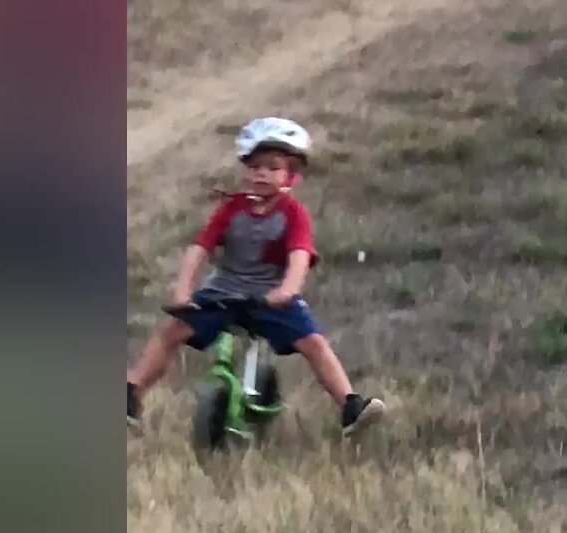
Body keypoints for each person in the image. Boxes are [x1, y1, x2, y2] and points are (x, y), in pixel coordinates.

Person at [127, 117, 386, 437]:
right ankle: (131, 393)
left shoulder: (293, 214)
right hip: (224, 291)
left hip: (271, 295)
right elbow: (199, 248)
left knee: (315, 343)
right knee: (171, 330)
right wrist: (183, 289)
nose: (261, 173)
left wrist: (287, 290)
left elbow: (299, 255)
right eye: (254, 166)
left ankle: (350, 406)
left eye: (272, 167)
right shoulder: (231, 208)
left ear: (291, 175)